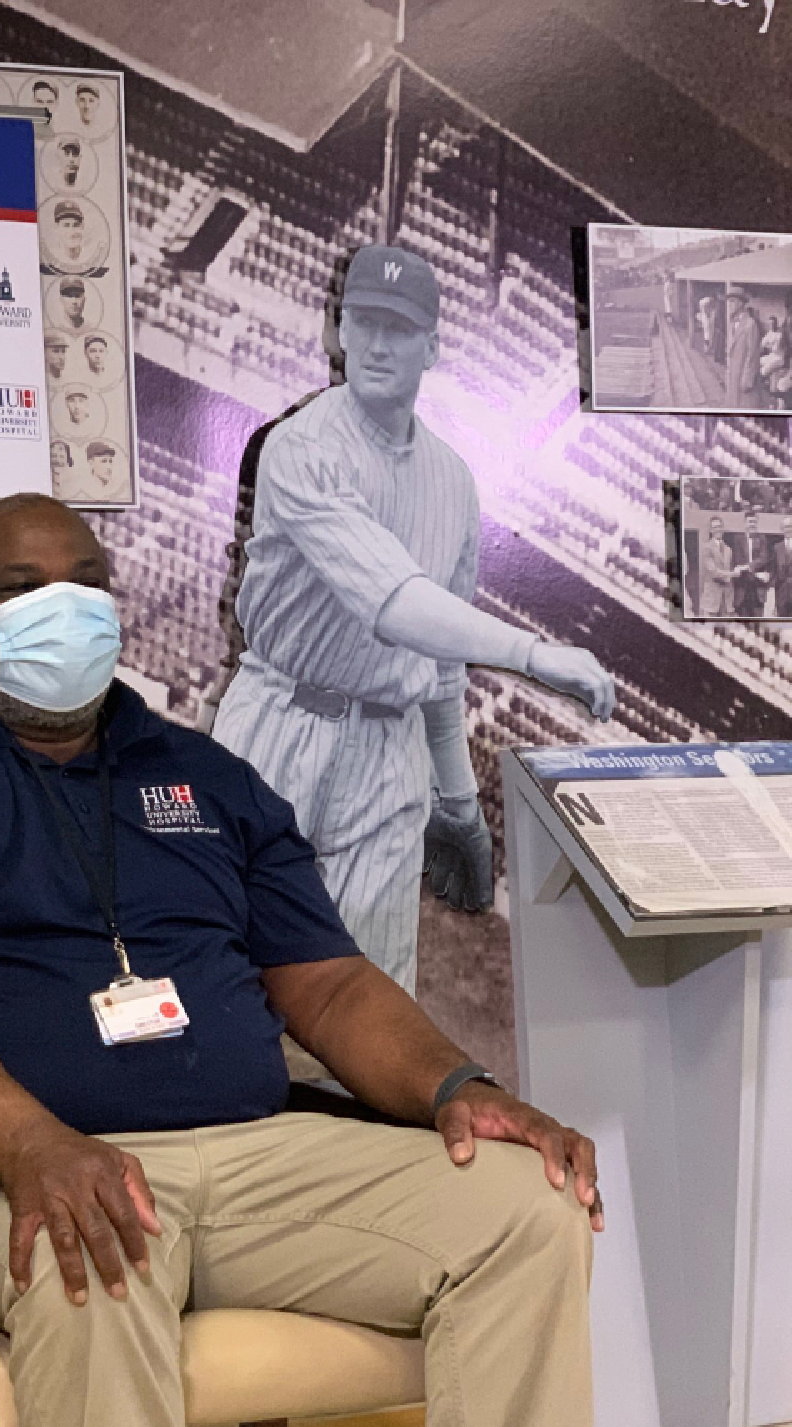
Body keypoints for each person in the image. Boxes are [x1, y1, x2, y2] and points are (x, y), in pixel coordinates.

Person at [0, 491, 601, 1427]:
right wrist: (33, 1144)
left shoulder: (204, 774)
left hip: (250, 1157)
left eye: (85, 583)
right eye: (21, 589)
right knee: (85, 1236)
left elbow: (328, 983)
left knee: (521, 1211)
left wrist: (455, 1081)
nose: (64, 604)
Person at [210, 246, 613, 997]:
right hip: (276, 723)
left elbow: (439, 666)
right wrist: (532, 653)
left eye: (398, 328)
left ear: (432, 347)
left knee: (373, 999)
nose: (376, 344)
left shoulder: (454, 482)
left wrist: (457, 801)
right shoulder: (300, 447)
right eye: (362, 322)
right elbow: (393, 602)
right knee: (234, 978)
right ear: (338, 330)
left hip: (388, 747)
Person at [725, 288, 763, 409]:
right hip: (733, 373)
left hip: (743, 374)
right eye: (729, 301)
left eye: (732, 301)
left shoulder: (750, 324)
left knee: (745, 406)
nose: (729, 305)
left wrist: (747, 380)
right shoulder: (732, 322)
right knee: (732, 405)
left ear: (741, 303)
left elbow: (753, 354)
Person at [734, 510, 773, 617]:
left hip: (758, 587)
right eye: (750, 521)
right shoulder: (738, 539)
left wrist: (746, 567)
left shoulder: (762, 538)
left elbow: (764, 558)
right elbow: (737, 560)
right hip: (743, 587)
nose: (752, 524)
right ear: (745, 523)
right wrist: (755, 571)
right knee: (743, 621)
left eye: (754, 522)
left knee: (758, 620)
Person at [698, 513, 738, 615]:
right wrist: (732, 574)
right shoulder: (707, 548)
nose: (718, 529)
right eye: (715, 527)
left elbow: (731, 569)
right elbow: (713, 572)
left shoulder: (729, 549)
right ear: (711, 530)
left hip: (727, 598)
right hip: (712, 598)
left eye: (720, 526)